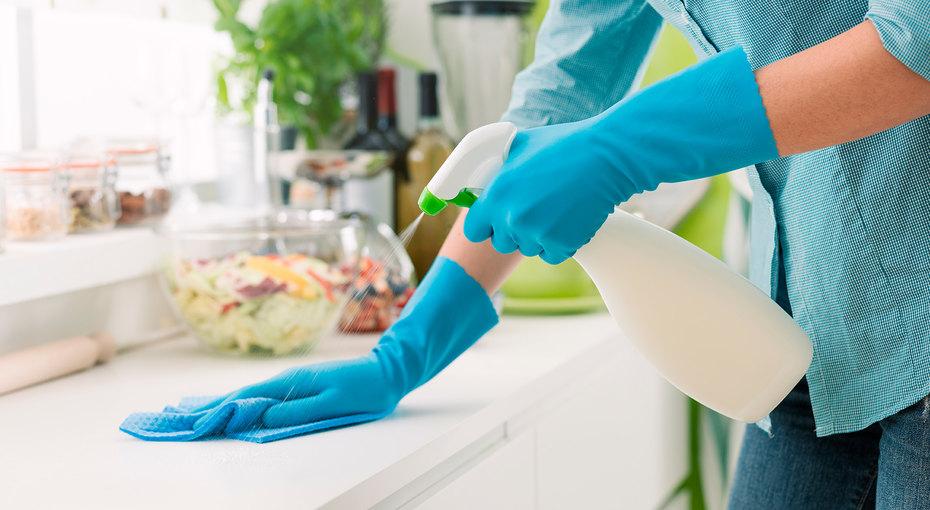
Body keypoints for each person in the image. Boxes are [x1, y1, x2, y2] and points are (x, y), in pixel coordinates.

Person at [124, 1, 930, 507]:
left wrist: (625, 146)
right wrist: (405, 354)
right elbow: (561, 91)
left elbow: (916, 37)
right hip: (807, 337)